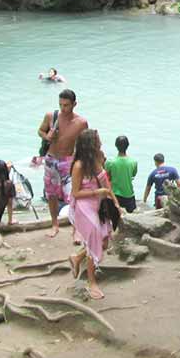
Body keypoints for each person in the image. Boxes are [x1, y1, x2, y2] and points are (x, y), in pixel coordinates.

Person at [68, 129, 120, 300]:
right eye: (98, 140)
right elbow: (75, 193)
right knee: (94, 239)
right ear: (90, 144)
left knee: (104, 242)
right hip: (84, 206)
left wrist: (116, 203)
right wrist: (97, 192)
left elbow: (107, 184)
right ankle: (92, 282)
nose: (101, 143)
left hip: (99, 205)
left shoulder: (98, 159)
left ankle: (77, 258)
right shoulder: (79, 166)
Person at [38, 89, 88, 238]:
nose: (63, 109)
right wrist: (47, 136)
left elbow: (84, 145)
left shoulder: (81, 123)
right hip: (51, 159)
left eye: (66, 105)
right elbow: (40, 131)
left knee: (74, 195)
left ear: (74, 104)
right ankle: (55, 224)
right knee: (51, 194)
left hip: (68, 161)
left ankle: (76, 229)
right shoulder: (51, 117)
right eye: (61, 105)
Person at [105, 136, 138, 213]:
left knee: (114, 220)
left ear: (116, 145)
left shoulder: (110, 162)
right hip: (129, 195)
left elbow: (106, 176)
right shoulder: (133, 162)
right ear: (127, 146)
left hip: (114, 195)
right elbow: (133, 174)